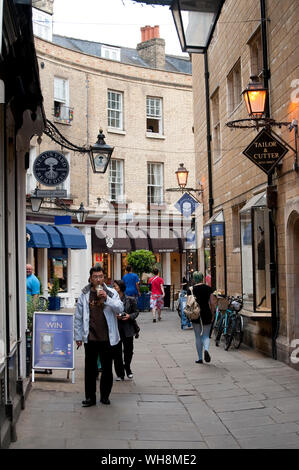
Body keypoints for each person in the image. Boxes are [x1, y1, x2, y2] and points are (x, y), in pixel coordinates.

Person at [74, 265, 124, 407]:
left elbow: (120, 308)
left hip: (107, 338)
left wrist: (107, 298)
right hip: (90, 337)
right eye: (95, 277)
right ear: (90, 278)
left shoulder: (111, 292)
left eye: (100, 276)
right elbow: (78, 317)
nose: (98, 279)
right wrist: (78, 336)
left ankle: (105, 396)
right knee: (90, 370)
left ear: (104, 278)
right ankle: (90, 397)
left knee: (107, 369)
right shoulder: (84, 293)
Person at [113, 280, 140, 380]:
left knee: (128, 351)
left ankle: (127, 367)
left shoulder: (130, 299)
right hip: (116, 328)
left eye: (115, 286)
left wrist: (129, 316)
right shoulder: (112, 300)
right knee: (117, 352)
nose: (113, 288)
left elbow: (136, 312)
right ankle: (120, 374)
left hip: (128, 328)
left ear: (120, 287)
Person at [187, 271, 216, 364]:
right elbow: (212, 303)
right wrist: (213, 313)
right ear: (202, 278)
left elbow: (189, 304)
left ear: (194, 279)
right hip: (206, 313)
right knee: (206, 335)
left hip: (195, 314)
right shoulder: (208, 288)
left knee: (197, 336)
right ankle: (206, 349)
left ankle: (200, 358)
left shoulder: (191, 289)